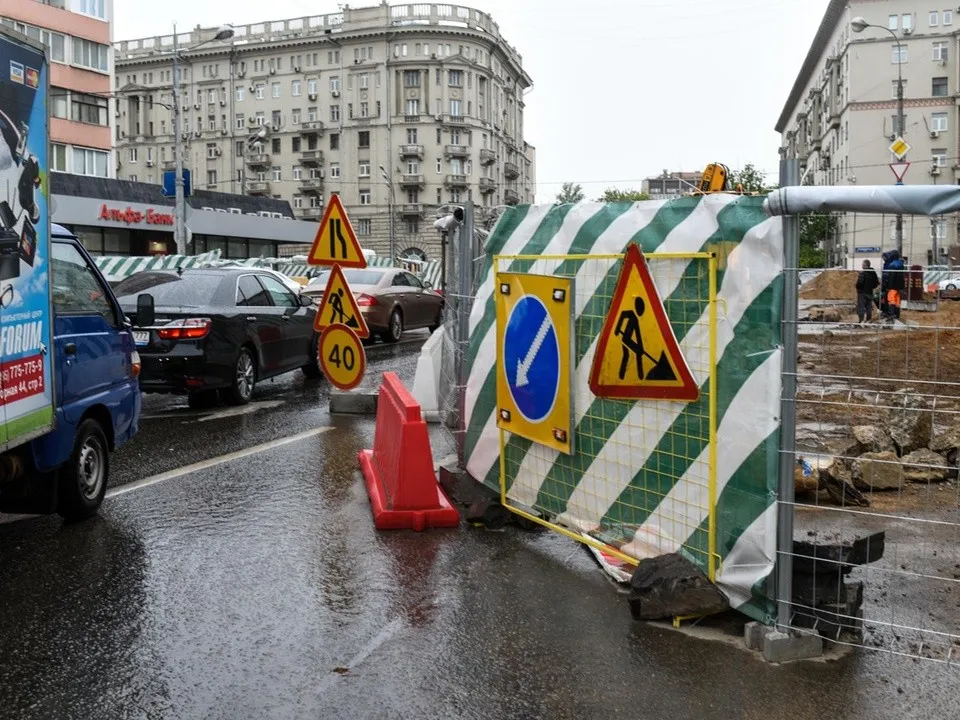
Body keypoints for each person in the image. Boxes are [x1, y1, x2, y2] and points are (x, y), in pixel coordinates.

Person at [881, 249, 905, 320]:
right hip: (900, 286)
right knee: (897, 299)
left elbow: (891, 277)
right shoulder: (901, 264)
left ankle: (891, 313)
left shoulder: (892, 265)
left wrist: (889, 286)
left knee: (891, 298)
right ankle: (896, 314)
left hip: (893, 285)